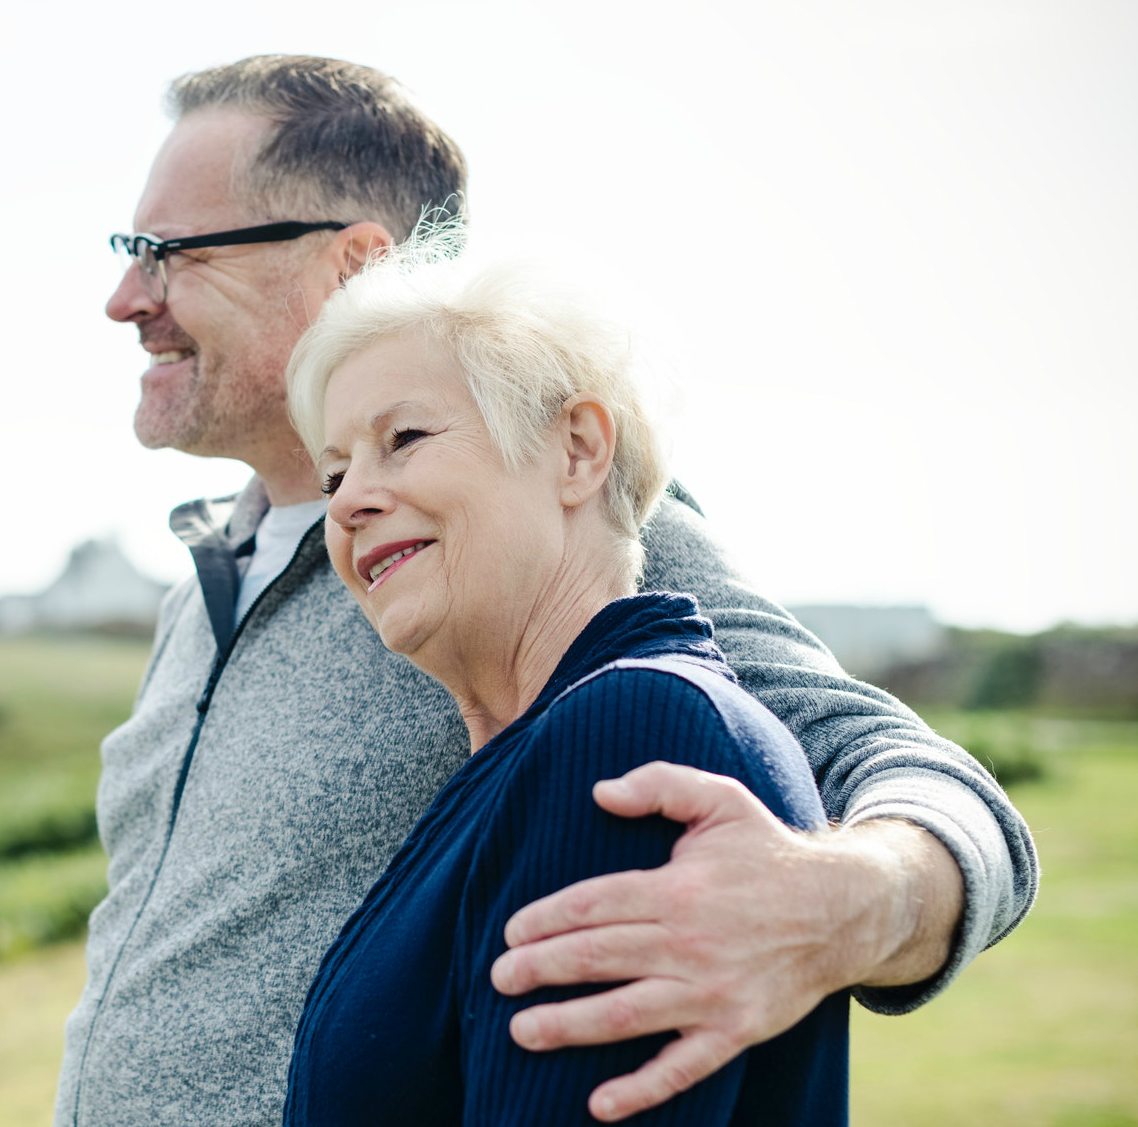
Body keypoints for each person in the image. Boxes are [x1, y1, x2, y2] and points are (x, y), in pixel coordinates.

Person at [56, 55, 1036, 1127]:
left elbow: (905, 770)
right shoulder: (202, 578)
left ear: (351, 266)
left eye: (167, 253)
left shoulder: (537, 516)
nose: (123, 298)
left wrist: (851, 901)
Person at [281, 245, 846, 1125]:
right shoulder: (520, 765)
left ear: (577, 451)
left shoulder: (628, 732)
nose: (350, 499)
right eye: (334, 471)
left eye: (404, 439)